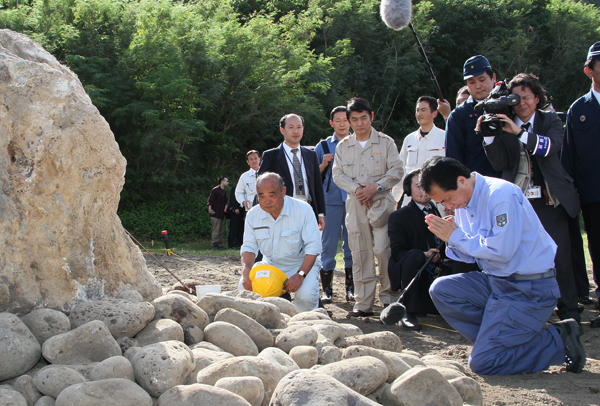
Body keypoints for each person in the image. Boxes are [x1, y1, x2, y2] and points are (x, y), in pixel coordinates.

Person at [422, 156, 585, 375]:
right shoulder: (464, 201)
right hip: (498, 282)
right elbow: (471, 256)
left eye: (448, 199)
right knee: (442, 289)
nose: (449, 207)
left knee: (484, 363)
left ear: (461, 180)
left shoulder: (500, 194)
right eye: (443, 204)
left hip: (529, 289)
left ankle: (557, 340)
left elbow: (501, 252)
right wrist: (451, 237)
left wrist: (457, 237)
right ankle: (498, 343)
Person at [482, 73, 581, 323]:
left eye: (526, 97)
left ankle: (570, 313)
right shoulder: (504, 122)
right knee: (521, 258)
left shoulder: (551, 120)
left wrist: (519, 133)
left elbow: (549, 148)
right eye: (516, 98)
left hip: (550, 201)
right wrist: (489, 134)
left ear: (537, 98)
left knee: (560, 257)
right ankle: (533, 311)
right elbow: (500, 162)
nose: (522, 103)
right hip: (520, 203)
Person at [332, 97, 404, 317]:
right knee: (360, 251)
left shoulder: (386, 142)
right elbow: (337, 174)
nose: (360, 123)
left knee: (384, 250)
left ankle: (390, 299)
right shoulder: (344, 146)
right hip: (355, 204)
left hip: (382, 202)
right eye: (354, 119)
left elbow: (397, 170)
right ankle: (363, 302)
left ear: (371, 117)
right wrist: (358, 190)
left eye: (364, 118)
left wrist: (376, 186)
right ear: (349, 121)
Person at [239, 172, 321, 312]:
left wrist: (301, 275)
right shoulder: (253, 214)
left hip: (300, 264)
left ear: (283, 192)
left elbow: (313, 247)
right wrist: (246, 272)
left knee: (306, 296)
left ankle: (306, 324)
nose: (267, 201)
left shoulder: (303, 210)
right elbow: (249, 247)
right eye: (262, 196)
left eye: (272, 195)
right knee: (243, 289)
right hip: (270, 264)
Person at [563, 41, 600, 327]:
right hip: (593, 193)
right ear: (589, 70)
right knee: (597, 248)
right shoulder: (579, 109)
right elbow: (570, 157)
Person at [388, 169, 445, 330]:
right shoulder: (399, 216)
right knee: (414, 255)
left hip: (435, 270)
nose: (423, 190)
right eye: (418, 186)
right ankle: (408, 310)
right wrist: (424, 254)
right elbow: (398, 253)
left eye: (426, 185)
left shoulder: (440, 211)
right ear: (408, 189)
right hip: (412, 269)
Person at [258, 114, 326, 230]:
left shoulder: (311, 154)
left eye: (299, 127)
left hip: (307, 208)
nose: (296, 131)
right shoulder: (271, 155)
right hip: (282, 209)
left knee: (308, 246)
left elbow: (317, 185)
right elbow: (261, 186)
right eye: (291, 127)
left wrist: (320, 213)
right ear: (282, 130)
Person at [314, 106, 354, 303]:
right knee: (327, 245)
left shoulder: (358, 142)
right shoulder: (322, 145)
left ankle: (351, 288)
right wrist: (323, 164)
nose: (342, 123)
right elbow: (313, 177)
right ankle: (327, 290)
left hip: (354, 200)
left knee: (352, 244)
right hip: (329, 201)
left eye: (345, 120)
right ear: (332, 123)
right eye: (337, 120)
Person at [445, 55, 501, 177]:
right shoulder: (459, 115)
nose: (478, 86)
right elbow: (453, 158)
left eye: (482, 79)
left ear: (493, 78)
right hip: (476, 186)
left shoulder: (508, 107)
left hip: (509, 182)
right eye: (472, 82)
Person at [392, 96, 445, 205]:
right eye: (417, 110)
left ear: (434, 113)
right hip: (411, 199)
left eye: (423, 110)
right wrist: (396, 198)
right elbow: (400, 170)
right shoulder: (410, 139)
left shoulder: (444, 137)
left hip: (437, 199)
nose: (419, 114)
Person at [207, 176, 228, 250]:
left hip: (222, 214)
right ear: (222, 181)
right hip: (215, 213)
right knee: (216, 230)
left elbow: (225, 203)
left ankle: (220, 244)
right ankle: (214, 244)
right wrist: (210, 209)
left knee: (221, 230)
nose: (227, 182)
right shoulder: (215, 190)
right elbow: (210, 200)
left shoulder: (224, 192)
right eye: (226, 181)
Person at [228, 184, 244, 249]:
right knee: (233, 228)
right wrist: (235, 207)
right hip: (235, 211)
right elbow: (233, 198)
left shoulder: (245, 189)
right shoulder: (235, 188)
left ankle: (239, 243)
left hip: (242, 211)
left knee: (241, 228)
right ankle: (231, 244)